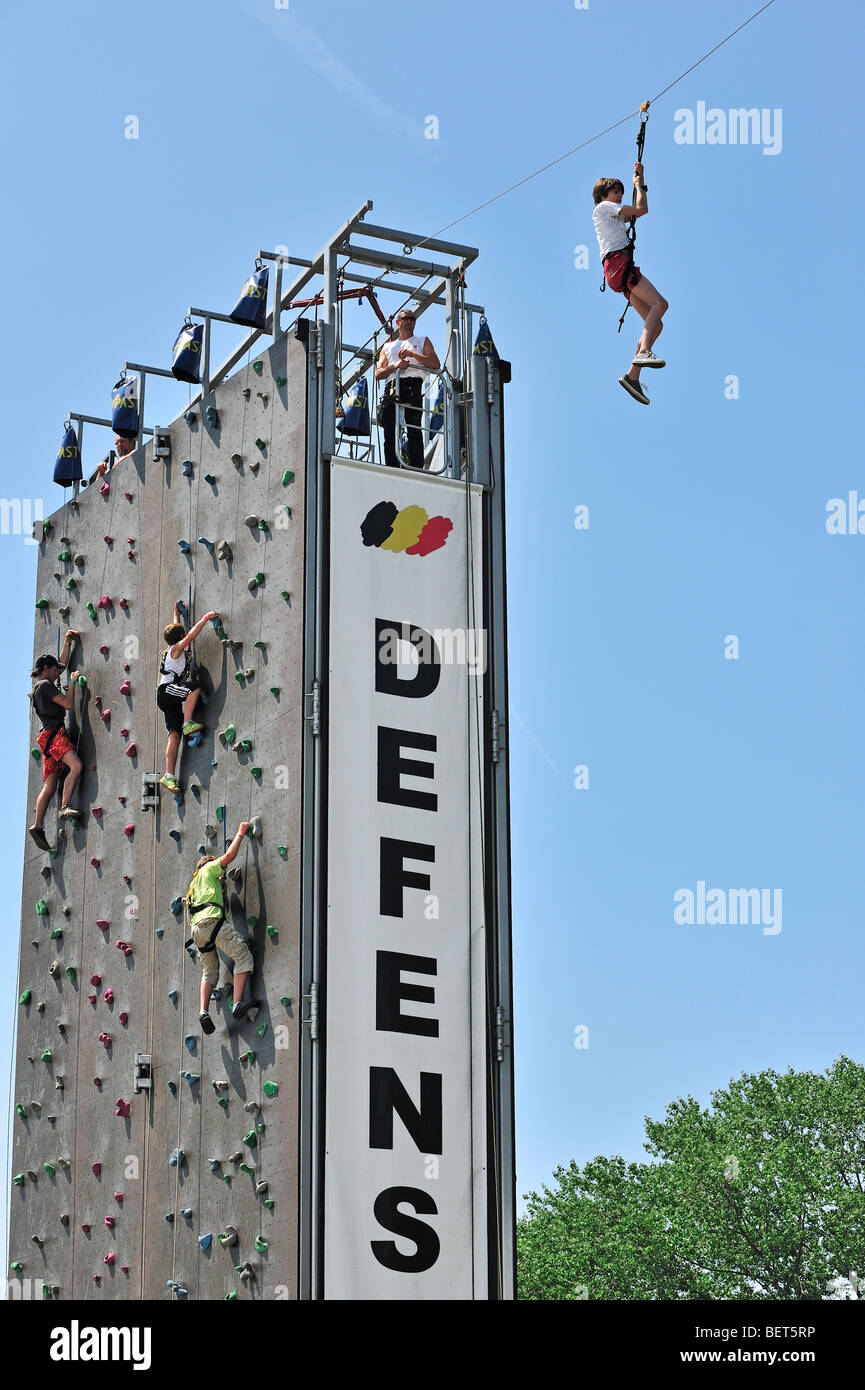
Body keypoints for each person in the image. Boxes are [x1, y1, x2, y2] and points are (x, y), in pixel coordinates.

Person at [592, 161, 669, 406]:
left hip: (618, 271)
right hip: (618, 265)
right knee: (660, 303)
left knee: (655, 325)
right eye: (616, 192)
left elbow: (640, 208)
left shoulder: (612, 215)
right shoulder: (604, 208)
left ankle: (632, 376)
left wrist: (640, 183)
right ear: (603, 195)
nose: (619, 196)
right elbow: (638, 210)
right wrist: (638, 186)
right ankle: (644, 353)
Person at [184, 821, 258, 1034]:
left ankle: (203, 1011)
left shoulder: (193, 887)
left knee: (209, 971)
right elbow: (228, 857)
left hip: (197, 932)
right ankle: (237, 1004)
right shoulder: (208, 868)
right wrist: (241, 832)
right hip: (212, 923)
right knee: (242, 955)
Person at [28, 632, 83, 850]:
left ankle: (38, 825)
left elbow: (61, 664)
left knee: (49, 786)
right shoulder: (46, 686)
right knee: (76, 766)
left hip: (45, 741)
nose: (57, 672)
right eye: (53, 670)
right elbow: (68, 704)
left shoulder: (38, 687)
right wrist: (71, 682)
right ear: (45, 670)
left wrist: (67, 642)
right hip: (56, 736)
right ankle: (65, 806)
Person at [157, 602, 216, 792]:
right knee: (194, 688)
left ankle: (169, 776)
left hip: (166, 696)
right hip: (167, 691)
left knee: (174, 734)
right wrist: (206, 618)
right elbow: (190, 636)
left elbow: (179, 632)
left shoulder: (171, 646)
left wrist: (176, 615)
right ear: (180, 638)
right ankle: (188, 722)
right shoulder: (176, 649)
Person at [375, 309, 440, 469]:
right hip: (392, 387)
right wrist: (395, 365)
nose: (410, 321)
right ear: (398, 322)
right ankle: (392, 466)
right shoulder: (388, 346)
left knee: (414, 426)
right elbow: (378, 373)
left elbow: (435, 363)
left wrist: (413, 355)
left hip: (412, 384)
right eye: (406, 318)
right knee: (389, 429)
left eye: (412, 319)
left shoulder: (422, 340)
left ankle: (416, 466)